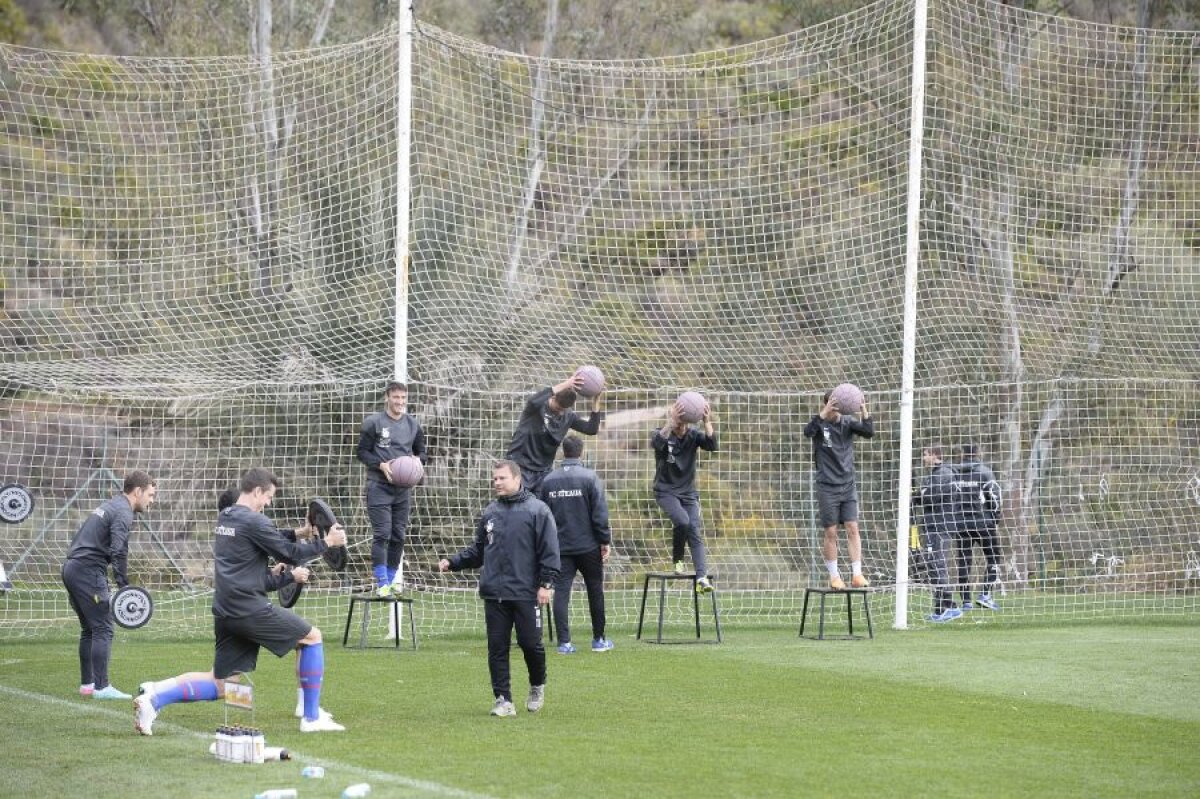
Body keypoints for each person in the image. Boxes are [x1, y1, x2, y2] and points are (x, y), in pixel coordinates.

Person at [134, 468, 347, 735]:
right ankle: (311, 718)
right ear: (257, 491)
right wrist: (327, 541)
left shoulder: (227, 516)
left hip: (226, 611)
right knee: (312, 638)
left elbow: (264, 535)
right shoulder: (254, 521)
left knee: (222, 685)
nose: (268, 503)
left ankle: (153, 700)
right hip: (249, 609)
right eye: (268, 497)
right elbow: (290, 554)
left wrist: (301, 532)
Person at [439, 460, 560, 717]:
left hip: (527, 592)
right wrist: (453, 562)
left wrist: (546, 584)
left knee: (531, 645)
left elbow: (549, 552)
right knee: (497, 648)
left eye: (502, 478)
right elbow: (479, 551)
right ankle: (503, 700)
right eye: (494, 479)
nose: (497, 483)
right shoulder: (491, 512)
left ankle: (537, 685)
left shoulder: (538, 511)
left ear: (517, 479)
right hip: (494, 593)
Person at [61, 471, 157, 700]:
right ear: (137, 491)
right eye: (151, 495)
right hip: (87, 570)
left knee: (90, 629)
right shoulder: (123, 511)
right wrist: (124, 585)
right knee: (103, 627)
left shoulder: (111, 504)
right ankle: (102, 688)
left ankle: (88, 685)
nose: (152, 500)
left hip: (72, 568)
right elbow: (118, 550)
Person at [538, 436, 613, 654]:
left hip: (560, 548)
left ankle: (564, 643)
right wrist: (604, 541)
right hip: (588, 546)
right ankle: (599, 640)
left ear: (563, 452)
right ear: (581, 452)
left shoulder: (549, 481)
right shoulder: (590, 478)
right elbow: (599, 514)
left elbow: (543, 516)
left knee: (561, 592)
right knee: (595, 590)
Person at [356, 381, 427, 596]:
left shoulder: (413, 425)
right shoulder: (374, 423)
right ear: (387, 397)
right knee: (382, 534)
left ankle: (393, 578)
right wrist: (380, 464)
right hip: (379, 485)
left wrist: (416, 462)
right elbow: (361, 452)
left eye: (403, 398)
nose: (400, 402)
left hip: (402, 489)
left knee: (398, 535)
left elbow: (422, 453)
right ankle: (382, 583)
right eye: (396, 397)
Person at [802, 391, 874, 590]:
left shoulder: (848, 422)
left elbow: (869, 432)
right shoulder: (820, 424)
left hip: (848, 485)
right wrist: (823, 413)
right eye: (833, 405)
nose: (837, 409)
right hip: (827, 486)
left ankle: (857, 575)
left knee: (853, 527)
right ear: (827, 404)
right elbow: (807, 432)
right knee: (831, 532)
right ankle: (834, 577)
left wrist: (863, 410)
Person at [652, 397, 717, 593]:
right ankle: (678, 559)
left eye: (682, 422)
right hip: (665, 491)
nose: (680, 426)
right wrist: (670, 423)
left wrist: (707, 421)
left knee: (694, 532)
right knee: (682, 521)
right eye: (677, 422)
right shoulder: (662, 434)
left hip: (688, 493)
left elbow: (712, 445)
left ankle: (701, 578)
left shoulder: (694, 436)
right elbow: (657, 444)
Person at [505, 375, 604, 495]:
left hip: (543, 472)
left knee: (542, 509)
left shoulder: (568, 416)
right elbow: (532, 400)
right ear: (553, 397)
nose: (560, 412)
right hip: (520, 466)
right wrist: (567, 383)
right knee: (518, 506)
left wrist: (596, 401)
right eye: (558, 408)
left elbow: (591, 429)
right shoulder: (536, 408)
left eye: (563, 409)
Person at [914, 444, 962, 622]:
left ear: (935, 455)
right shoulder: (934, 475)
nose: (923, 458)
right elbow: (924, 495)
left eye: (925, 454)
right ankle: (940, 608)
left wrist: (917, 495)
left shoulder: (943, 474)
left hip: (940, 527)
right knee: (933, 565)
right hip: (932, 525)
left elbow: (928, 497)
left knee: (938, 564)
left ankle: (949, 607)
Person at [955, 443, 1002, 611]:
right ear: (978, 453)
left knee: (964, 562)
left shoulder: (955, 473)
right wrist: (995, 519)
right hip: (984, 523)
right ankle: (985, 595)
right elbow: (994, 497)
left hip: (961, 525)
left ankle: (966, 601)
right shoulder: (985, 472)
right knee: (994, 558)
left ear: (962, 453)